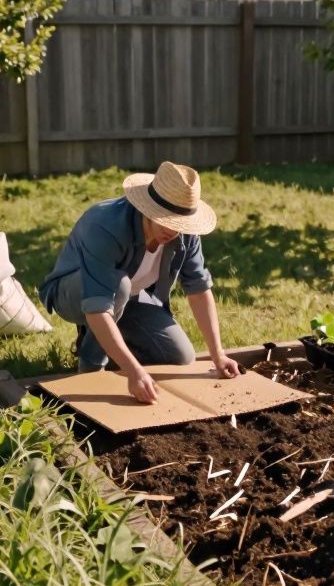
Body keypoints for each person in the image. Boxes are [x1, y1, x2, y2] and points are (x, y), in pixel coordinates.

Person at [39, 161, 241, 404]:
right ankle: (90, 362)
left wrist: (217, 355)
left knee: (180, 356)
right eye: (166, 219)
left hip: (129, 297)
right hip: (74, 293)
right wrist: (134, 373)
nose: (173, 231)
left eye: (180, 224)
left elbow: (198, 289)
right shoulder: (105, 225)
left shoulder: (186, 234)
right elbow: (97, 306)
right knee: (119, 286)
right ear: (149, 209)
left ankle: (114, 348)